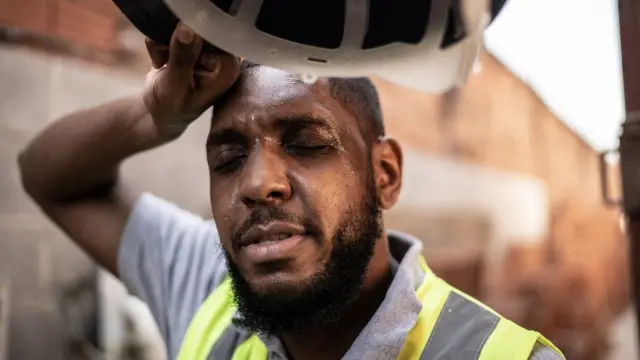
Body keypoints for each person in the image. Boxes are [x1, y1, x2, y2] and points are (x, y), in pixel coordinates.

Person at [18, 23, 564, 360]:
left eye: (306, 144)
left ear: (385, 175)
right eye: (228, 158)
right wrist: (151, 114)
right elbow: (47, 176)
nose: (257, 184)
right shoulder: (207, 285)